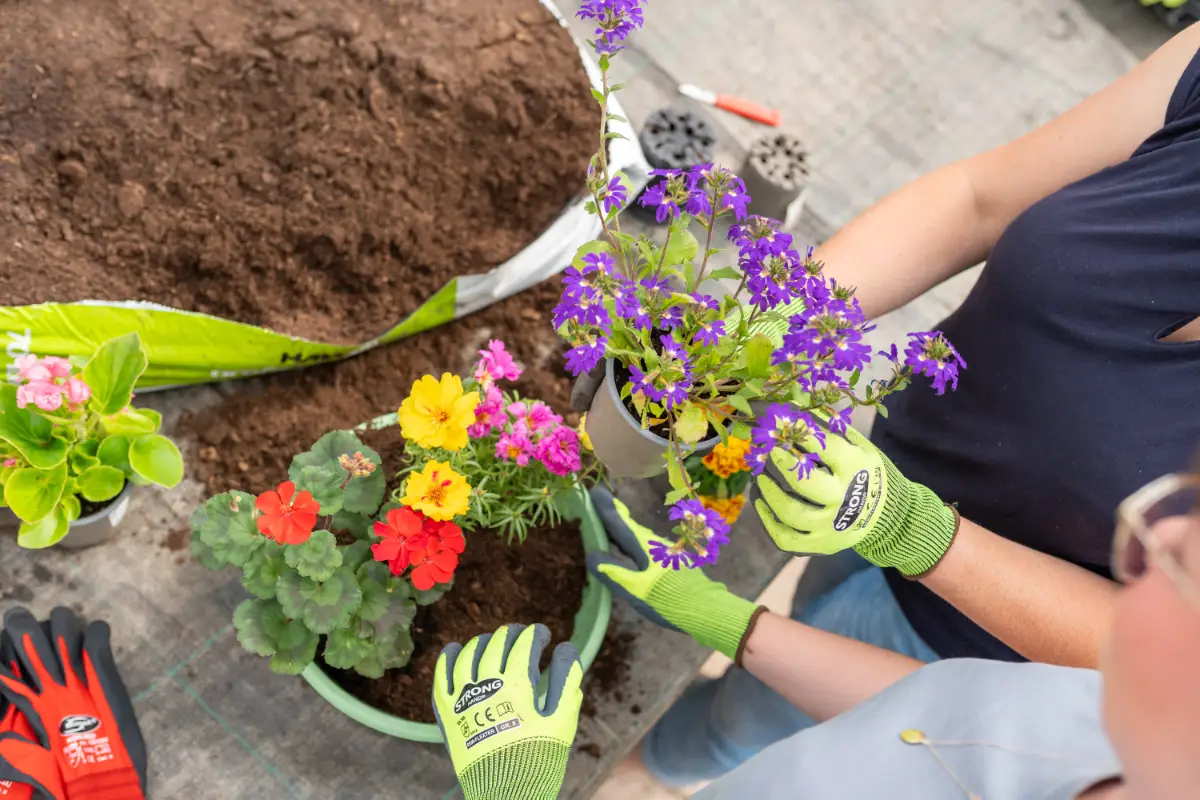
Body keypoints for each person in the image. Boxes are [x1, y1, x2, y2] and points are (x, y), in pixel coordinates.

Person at [572, 16, 1200, 786]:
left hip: (976, 637)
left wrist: (918, 535)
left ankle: (661, 763)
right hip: (875, 466)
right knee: (794, 632)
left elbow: (1177, 666)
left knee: (751, 727)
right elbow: (979, 198)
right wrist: (766, 326)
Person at [432, 470, 1200, 799]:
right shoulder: (1133, 734)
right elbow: (944, 720)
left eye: (1176, 567)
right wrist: (731, 622)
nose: (1154, 534)